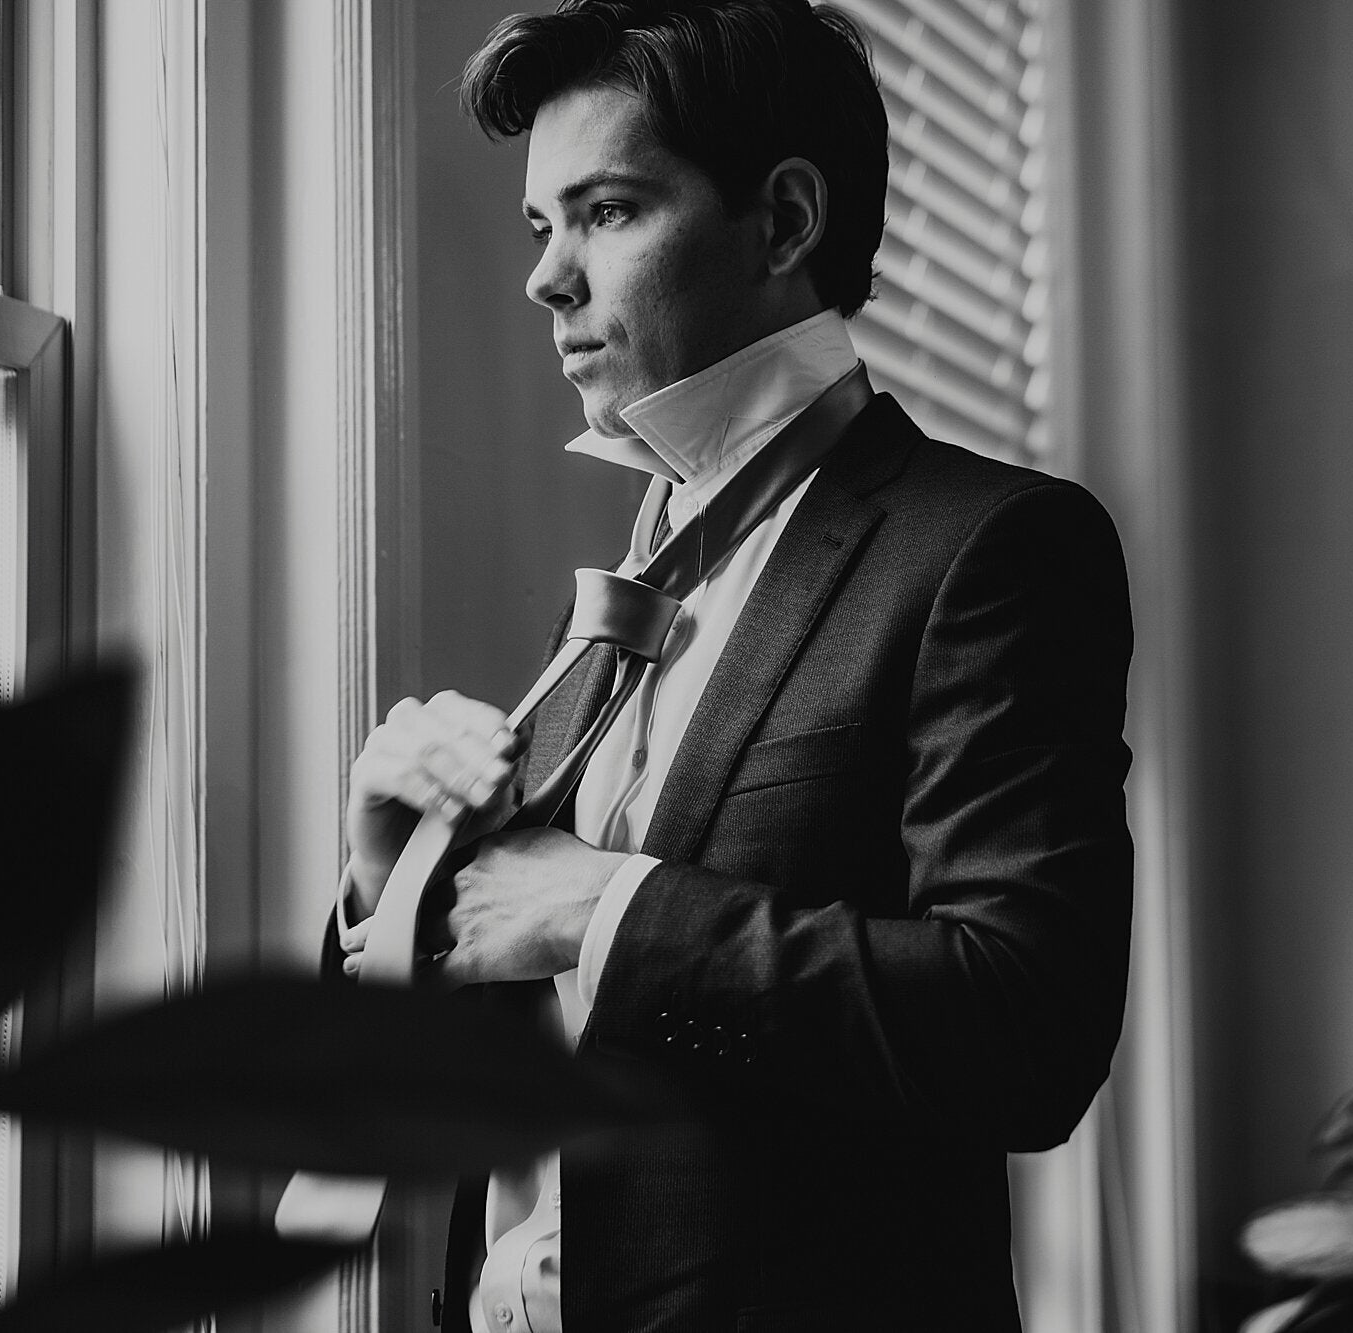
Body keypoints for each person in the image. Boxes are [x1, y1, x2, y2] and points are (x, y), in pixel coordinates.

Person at [328, 2, 1134, 1328]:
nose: (546, 276)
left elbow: (1025, 1031)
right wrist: (392, 888)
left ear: (786, 222)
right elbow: (562, 1036)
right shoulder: (632, 579)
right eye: (544, 225)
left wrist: (611, 908)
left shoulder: (989, 549)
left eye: (608, 210)